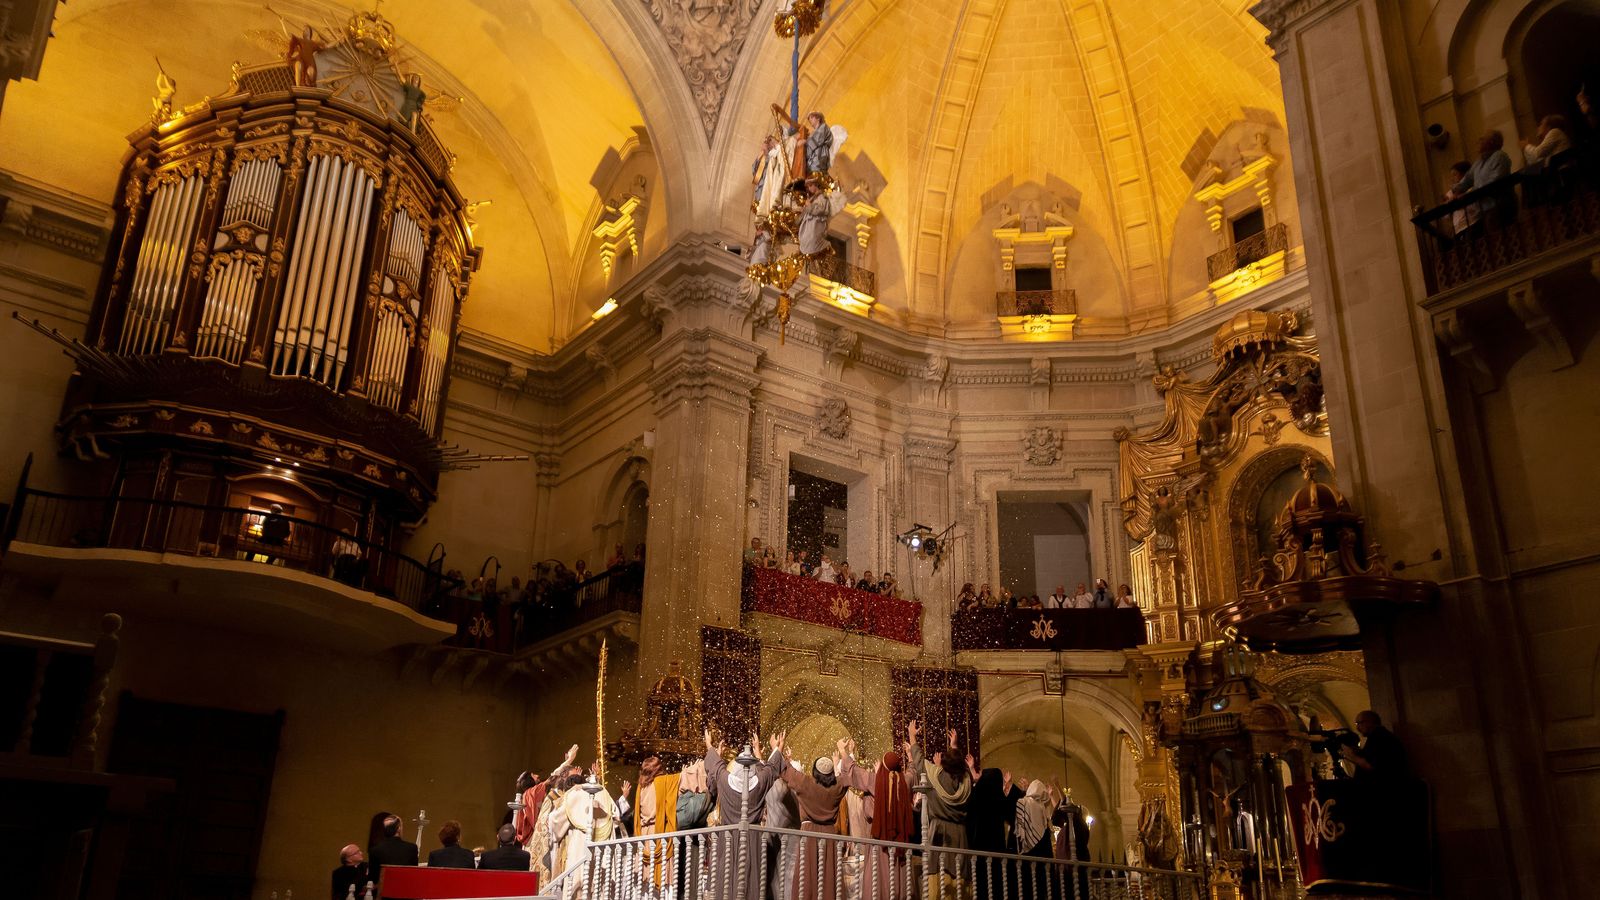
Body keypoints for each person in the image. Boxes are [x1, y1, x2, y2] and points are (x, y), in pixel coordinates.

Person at [771, 731, 850, 900]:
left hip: (810, 834)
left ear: (815, 771)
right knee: (828, 876)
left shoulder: (806, 783)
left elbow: (785, 770)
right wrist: (844, 752)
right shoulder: (837, 787)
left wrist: (778, 748)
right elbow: (848, 775)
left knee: (808, 877)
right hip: (829, 835)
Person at [907, 720, 971, 849]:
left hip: (939, 832)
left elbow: (919, 760)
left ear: (944, 763)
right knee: (957, 862)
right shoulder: (966, 780)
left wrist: (912, 736)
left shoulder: (934, 776)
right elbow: (960, 766)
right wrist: (954, 747)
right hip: (959, 834)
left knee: (939, 862)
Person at [1452, 130, 1514, 222]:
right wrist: (1456, 191)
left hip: (1498, 206)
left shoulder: (1500, 156)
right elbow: (1467, 179)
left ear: (1491, 142)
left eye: (1482, 139)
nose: (1478, 141)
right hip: (1484, 209)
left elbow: (1493, 182)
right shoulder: (1479, 162)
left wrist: (1468, 194)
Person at [1342, 709, 1406, 780]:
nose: (1357, 728)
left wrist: (1351, 755)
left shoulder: (1380, 737)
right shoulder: (1379, 736)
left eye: (1359, 723)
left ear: (1370, 721)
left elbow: (1370, 765)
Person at [367, 815, 417, 889]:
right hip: (405, 888)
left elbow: (372, 877)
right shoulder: (412, 848)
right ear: (399, 828)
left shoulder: (375, 850)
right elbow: (414, 873)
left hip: (383, 889)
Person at [1444, 160, 1480, 238]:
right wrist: (1448, 204)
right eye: (1451, 176)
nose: (1452, 178)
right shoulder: (1450, 193)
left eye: (1455, 174)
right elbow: (1446, 216)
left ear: (1465, 175)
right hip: (1458, 228)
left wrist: (1460, 201)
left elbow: (1476, 207)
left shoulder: (1471, 189)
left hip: (1472, 222)